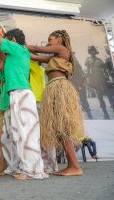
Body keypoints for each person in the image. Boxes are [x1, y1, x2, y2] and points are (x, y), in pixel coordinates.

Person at [0, 23, 47, 180]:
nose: (3, 47)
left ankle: (32, 170)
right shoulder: (17, 53)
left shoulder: (17, 49)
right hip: (17, 95)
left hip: (21, 94)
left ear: (13, 41)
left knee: (26, 134)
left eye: (7, 41)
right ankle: (22, 166)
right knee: (17, 134)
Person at [27, 30, 85, 176]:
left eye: (50, 39)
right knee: (60, 130)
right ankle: (72, 165)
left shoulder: (61, 49)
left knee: (63, 128)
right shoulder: (54, 57)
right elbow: (33, 56)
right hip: (53, 89)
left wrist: (20, 44)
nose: (48, 42)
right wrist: (19, 50)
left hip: (59, 88)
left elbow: (35, 49)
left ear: (59, 39)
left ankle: (76, 167)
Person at [85, 45, 114, 118]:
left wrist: (107, 78)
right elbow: (88, 72)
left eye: (94, 51)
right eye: (91, 51)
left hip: (102, 79)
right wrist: (90, 81)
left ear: (95, 52)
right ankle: (105, 113)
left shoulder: (99, 60)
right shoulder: (88, 60)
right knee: (100, 97)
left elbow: (105, 71)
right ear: (90, 52)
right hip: (95, 80)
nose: (93, 52)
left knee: (109, 95)